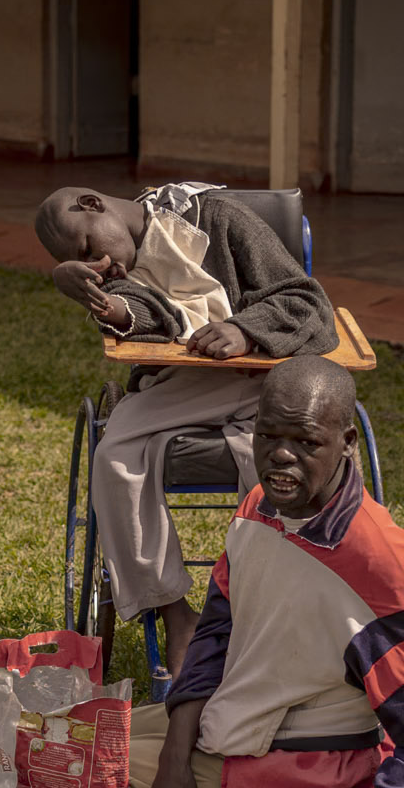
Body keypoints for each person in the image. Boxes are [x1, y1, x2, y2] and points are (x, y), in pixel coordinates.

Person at [129, 356, 404, 788]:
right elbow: (214, 635)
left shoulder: (377, 556)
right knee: (93, 728)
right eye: (267, 436)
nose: (280, 456)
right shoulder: (262, 505)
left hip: (295, 755)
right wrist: (174, 760)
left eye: (306, 441)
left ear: (346, 442)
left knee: (68, 765)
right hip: (235, 718)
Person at [36, 181, 337, 676]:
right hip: (181, 386)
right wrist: (95, 297)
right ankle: (177, 615)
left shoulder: (218, 219)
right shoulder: (119, 269)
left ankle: (272, 612)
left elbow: (306, 302)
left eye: (89, 248)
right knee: (113, 459)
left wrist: (244, 330)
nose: (103, 267)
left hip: (262, 380)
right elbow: (141, 313)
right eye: (88, 266)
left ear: (94, 203)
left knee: (123, 444)